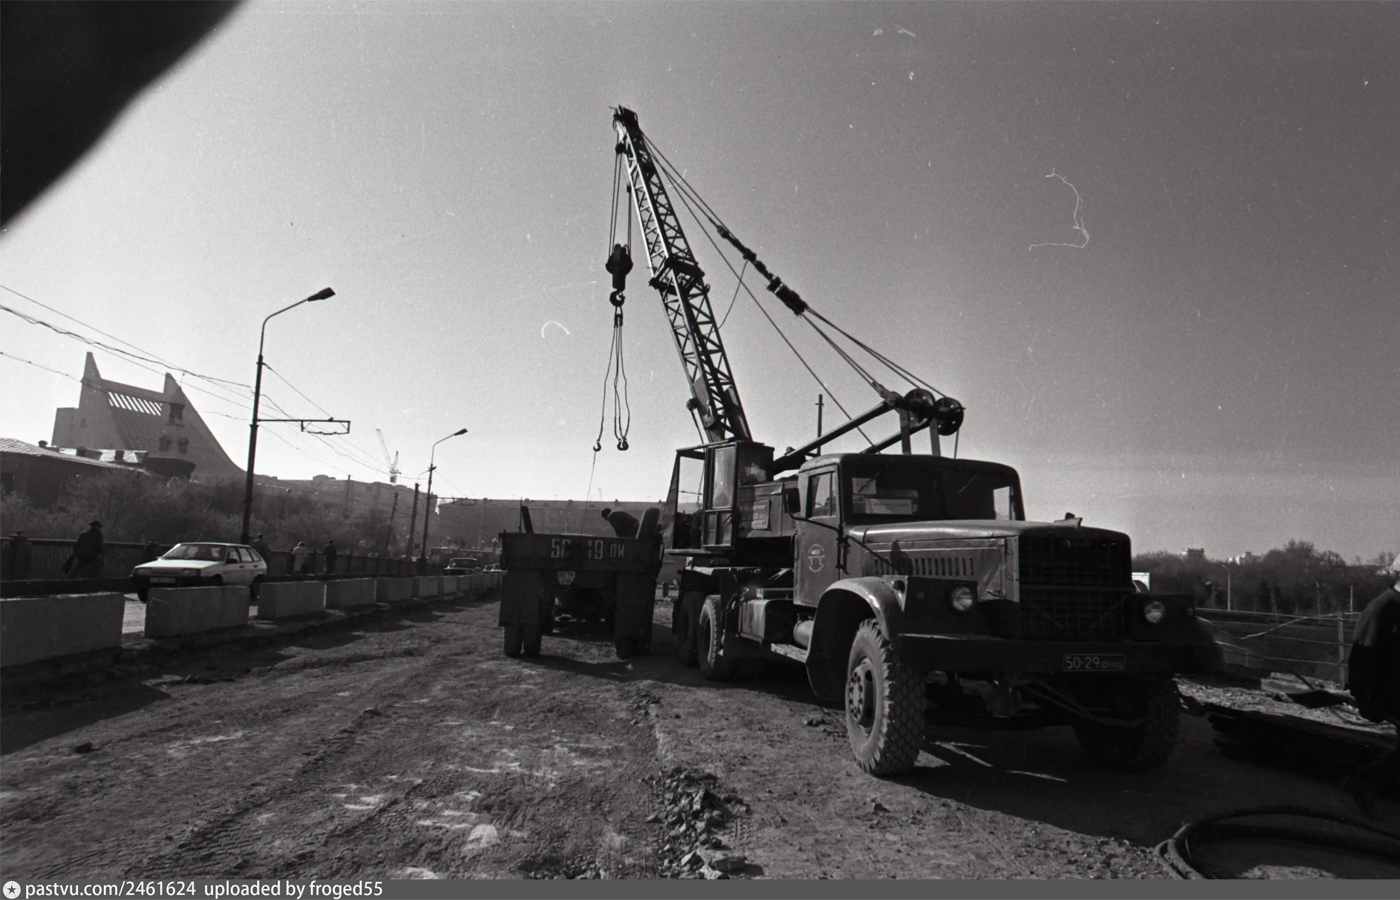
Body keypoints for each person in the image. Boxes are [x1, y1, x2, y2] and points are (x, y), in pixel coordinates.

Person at [1343, 555, 1400, 817]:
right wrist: (1365, 698)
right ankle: (1362, 780)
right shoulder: (1380, 609)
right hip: (1387, 692)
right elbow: (1361, 658)